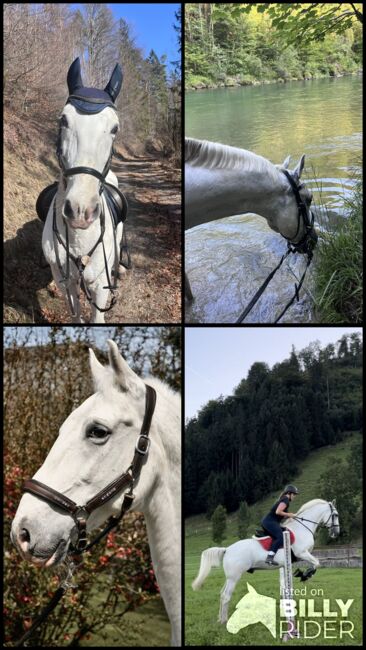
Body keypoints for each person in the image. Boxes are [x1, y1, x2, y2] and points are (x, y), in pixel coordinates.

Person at [261, 485, 299, 565]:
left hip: (268, 522)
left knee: (286, 532)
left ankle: (291, 556)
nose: (294, 496)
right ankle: (270, 558)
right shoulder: (285, 499)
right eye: (294, 494)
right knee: (281, 537)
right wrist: (289, 514)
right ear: (289, 493)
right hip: (270, 522)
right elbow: (278, 511)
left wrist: (291, 516)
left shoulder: (284, 499)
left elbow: (280, 514)